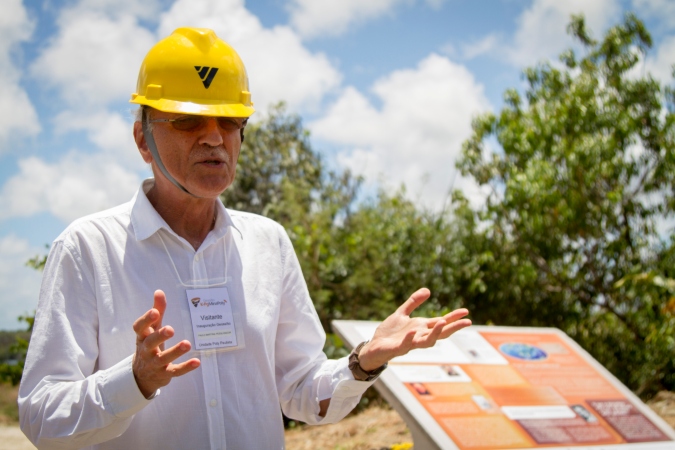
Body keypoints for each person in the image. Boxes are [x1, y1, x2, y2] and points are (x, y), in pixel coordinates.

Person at [18, 27, 471, 449]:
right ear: (142, 140)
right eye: (187, 121)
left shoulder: (267, 243)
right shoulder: (87, 249)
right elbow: (41, 418)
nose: (214, 137)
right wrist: (134, 381)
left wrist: (364, 360)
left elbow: (300, 392)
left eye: (230, 121)